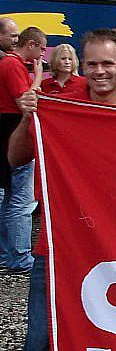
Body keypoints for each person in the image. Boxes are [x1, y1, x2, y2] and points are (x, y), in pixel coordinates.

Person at [1, 28, 116, 351]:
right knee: (42, 341)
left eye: (107, 64)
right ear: (82, 63)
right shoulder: (59, 106)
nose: (99, 71)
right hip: (57, 246)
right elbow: (16, 158)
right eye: (92, 63)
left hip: (110, 248)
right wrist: (27, 116)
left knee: (103, 335)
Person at [0, 27, 47, 274]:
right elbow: (26, 102)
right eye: (41, 48)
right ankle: (18, 256)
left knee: (9, 198)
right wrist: (37, 76)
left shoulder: (7, 63)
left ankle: (7, 253)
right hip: (15, 134)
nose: (42, 55)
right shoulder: (13, 65)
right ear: (31, 45)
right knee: (21, 200)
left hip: (7, 133)